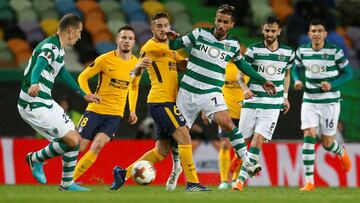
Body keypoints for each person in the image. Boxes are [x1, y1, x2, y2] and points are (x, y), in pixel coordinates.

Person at [166, 4, 277, 176]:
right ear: (215, 20)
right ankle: (176, 167)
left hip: (211, 92)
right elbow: (174, 46)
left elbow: (243, 65)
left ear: (232, 24)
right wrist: (172, 39)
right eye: (219, 20)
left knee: (228, 123)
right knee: (179, 133)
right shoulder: (199, 33)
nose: (221, 25)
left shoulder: (232, 45)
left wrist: (262, 81)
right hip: (188, 91)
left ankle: (247, 162)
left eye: (225, 22)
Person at [110, 12, 209, 192]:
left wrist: (183, 51)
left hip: (165, 103)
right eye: (159, 26)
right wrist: (184, 45)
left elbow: (184, 65)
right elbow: (174, 56)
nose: (163, 29)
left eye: (166, 26)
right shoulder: (152, 46)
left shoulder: (170, 49)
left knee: (161, 151)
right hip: (161, 101)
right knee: (185, 137)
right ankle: (193, 183)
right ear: (152, 28)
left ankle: (123, 173)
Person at [17, 13, 100, 191]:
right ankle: (35, 158)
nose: (79, 36)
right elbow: (39, 64)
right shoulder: (50, 47)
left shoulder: (59, 49)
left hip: (45, 101)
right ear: (70, 30)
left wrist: (83, 93)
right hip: (33, 103)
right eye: (78, 32)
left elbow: (62, 73)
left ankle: (67, 183)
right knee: (71, 140)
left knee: (75, 138)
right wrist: (34, 83)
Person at [72, 26, 146, 181]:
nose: (126, 41)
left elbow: (133, 86)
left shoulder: (137, 64)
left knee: (98, 145)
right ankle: (48, 154)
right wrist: (87, 94)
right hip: (95, 110)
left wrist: (132, 110)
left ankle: (69, 180)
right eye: (123, 37)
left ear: (134, 43)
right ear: (117, 39)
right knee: (78, 146)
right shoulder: (104, 59)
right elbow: (82, 77)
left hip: (115, 114)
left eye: (130, 38)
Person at [232, 16, 294, 191]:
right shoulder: (253, 50)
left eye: (273, 31)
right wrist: (244, 88)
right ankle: (238, 162)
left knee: (258, 140)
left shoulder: (288, 53)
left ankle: (240, 181)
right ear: (262, 30)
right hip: (251, 102)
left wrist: (285, 96)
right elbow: (239, 75)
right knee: (242, 143)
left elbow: (287, 75)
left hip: (272, 105)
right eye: (267, 30)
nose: (269, 34)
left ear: (279, 32)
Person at [292, 19, 353, 191]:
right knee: (308, 135)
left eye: (320, 31)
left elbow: (348, 74)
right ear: (309, 34)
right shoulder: (302, 50)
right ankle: (309, 182)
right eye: (314, 31)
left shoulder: (335, 51)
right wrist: (297, 81)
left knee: (327, 144)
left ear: (325, 34)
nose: (317, 34)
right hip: (310, 100)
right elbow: (296, 69)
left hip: (330, 102)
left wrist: (332, 85)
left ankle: (340, 151)